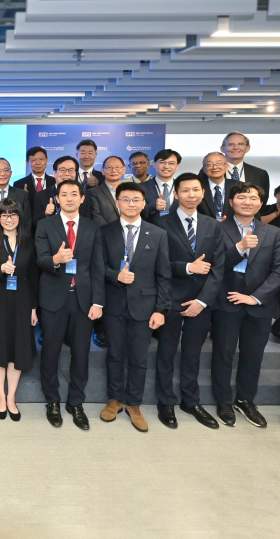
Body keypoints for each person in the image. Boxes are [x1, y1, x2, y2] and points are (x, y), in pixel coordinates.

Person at [211, 182, 280, 428]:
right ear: (231, 201)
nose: (247, 202)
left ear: (261, 203)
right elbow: (214, 266)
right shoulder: (216, 228)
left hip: (259, 305)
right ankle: (224, 400)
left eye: (253, 198)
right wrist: (240, 247)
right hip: (225, 301)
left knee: (253, 355)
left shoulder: (273, 232)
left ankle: (245, 400)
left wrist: (255, 297)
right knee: (223, 354)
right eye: (242, 197)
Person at [152, 173, 225, 430]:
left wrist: (202, 301)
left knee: (193, 354)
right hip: (169, 298)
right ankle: (166, 402)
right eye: (185, 190)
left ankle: (191, 401)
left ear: (203, 193)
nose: (191, 195)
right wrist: (187, 268)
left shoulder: (213, 225)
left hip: (201, 301)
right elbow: (157, 264)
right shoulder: (160, 223)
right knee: (166, 353)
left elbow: (219, 268)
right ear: (176, 194)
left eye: (196, 190)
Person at [99, 182, 170, 432]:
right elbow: (98, 267)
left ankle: (134, 404)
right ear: (117, 202)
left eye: (136, 199)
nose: (131, 204)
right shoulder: (104, 232)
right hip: (113, 304)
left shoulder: (157, 233)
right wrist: (115, 275)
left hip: (145, 306)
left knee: (139, 358)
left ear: (143, 203)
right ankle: (115, 400)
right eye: (126, 199)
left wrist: (161, 309)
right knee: (115, 355)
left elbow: (164, 275)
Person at [35, 179, 105, 430]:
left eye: (74, 194)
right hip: (54, 298)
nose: (69, 198)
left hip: (84, 300)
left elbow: (98, 267)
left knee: (81, 353)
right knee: (50, 351)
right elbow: (40, 260)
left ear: (82, 198)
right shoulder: (45, 225)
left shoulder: (92, 227)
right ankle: (52, 400)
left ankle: (76, 402)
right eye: (64, 194)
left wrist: (98, 302)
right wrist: (55, 258)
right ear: (57, 199)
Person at [0, 198, 37, 422]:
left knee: (17, 347)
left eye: (13, 214)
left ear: (19, 217)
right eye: (4, 215)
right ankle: (1, 396)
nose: (9, 219)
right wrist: (1, 268)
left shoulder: (28, 242)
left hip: (22, 299)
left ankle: (11, 396)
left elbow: (33, 277)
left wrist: (33, 307)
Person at [32, 155, 79, 228]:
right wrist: (45, 213)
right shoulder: (40, 195)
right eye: (62, 170)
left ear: (76, 173)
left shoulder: (83, 196)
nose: (67, 174)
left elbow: (88, 222)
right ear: (54, 173)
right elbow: (34, 223)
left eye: (71, 170)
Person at [13, 146, 55, 221]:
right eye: (33, 160)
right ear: (27, 163)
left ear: (47, 160)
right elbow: (16, 209)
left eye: (41, 159)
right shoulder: (18, 184)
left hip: (51, 224)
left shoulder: (55, 182)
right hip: (28, 225)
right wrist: (23, 197)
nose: (38, 163)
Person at [141, 149, 181, 221]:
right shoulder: (141, 187)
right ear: (154, 164)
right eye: (162, 162)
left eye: (171, 163)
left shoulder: (182, 187)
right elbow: (133, 212)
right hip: (151, 227)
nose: (166, 166)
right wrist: (152, 206)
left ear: (177, 166)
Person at [198, 152, 238, 222]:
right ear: (204, 169)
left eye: (219, 163)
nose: (215, 167)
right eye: (210, 164)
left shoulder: (238, 186)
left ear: (227, 167)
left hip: (234, 227)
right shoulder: (197, 188)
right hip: (205, 227)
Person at [87, 155, 126, 226]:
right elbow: (96, 217)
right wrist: (112, 231)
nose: (113, 170)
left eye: (117, 167)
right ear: (102, 171)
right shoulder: (93, 192)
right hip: (106, 231)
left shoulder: (131, 191)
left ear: (124, 170)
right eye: (109, 167)